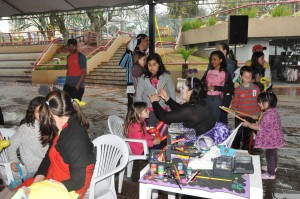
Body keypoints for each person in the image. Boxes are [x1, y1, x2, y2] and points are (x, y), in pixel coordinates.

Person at [19, 90, 96, 199]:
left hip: (70, 188)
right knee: (20, 191)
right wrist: (38, 177)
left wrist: (46, 187)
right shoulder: (60, 129)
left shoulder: (75, 139)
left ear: (51, 114)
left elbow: (78, 182)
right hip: (54, 177)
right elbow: (48, 157)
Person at [149, 77, 215, 137]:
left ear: (190, 92)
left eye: (183, 88)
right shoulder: (198, 101)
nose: (180, 89)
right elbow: (180, 109)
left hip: (204, 141)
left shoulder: (191, 110)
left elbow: (164, 117)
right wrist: (167, 98)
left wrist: (154, 102)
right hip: (207, 135)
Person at [243, 91, 284, 180]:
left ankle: (270, 173)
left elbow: (259, 128)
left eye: (260, 102)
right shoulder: (272, 111)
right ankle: (274, 167)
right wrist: (258, 122)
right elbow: (265, 124)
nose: (258, 104)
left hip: (271, 139)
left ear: (266, 103)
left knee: (270, 155)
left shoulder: (268, 115)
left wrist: (249, 125)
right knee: (273, 154)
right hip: (274, 138)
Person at [8, 96, 49, 177]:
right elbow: (11, 145)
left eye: (44, 110)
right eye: (38, 111)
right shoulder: (25, 129)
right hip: (34, 171)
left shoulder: (52, 126)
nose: (41, 114)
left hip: (50, 167)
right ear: (33, 113)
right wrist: (13, 160)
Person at [136, 53, 176, 134]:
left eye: (154, 65)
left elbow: (172, 94)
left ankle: (163, 146)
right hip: (148, 112)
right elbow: (139, 95)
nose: (151, 67)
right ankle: (151, 146)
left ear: (159, 64)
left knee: (164, 133)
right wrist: (139, 112)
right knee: (150, 133)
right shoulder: (143, 78)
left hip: (163, 111)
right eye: (149, 65)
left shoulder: (167, 77)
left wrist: (172, 110)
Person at [231, 66, 261, 151]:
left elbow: (259, 103)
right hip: (239, 116)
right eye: (245, 76)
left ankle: (245, 151)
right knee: (237, 134)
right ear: (241, 77)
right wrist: (233, 109)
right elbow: (235, 102)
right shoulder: (238, 89)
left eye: (250, 76)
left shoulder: (256, 88)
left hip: (251, 117)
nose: (248, 79)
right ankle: (235, 150)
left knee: (248, 136)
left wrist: (257, 114)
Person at [201, 51, 234, 122]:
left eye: (214, 59)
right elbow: (201, 83)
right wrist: (205, 87)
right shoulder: (208, 71)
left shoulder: (225, 74)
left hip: (216, 100)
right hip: (205, 98)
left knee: (214, 121)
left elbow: (231, 89)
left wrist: (216, 88)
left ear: (221, 60)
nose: (212, 61)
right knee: (205, 120)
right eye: (211, 59)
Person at [120, 34, 149, 110]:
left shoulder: (146, 54)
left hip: (145, 85)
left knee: (143, 107)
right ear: (141, 40)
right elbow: (122, 64)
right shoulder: (131, 52)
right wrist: (128, 50)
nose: (148, 42)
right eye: (147, 40)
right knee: (133, 109)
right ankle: (131, 121)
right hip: (132, 86)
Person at [216, 43, 238, 125]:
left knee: (223, 114)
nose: (217, 51)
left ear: (225, 51)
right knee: (215, 113)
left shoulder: (230, 63)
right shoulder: (214, 61)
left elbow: (228, 78)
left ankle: (223, 132)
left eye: (219, 50)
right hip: (215, 91)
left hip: (226, 92)